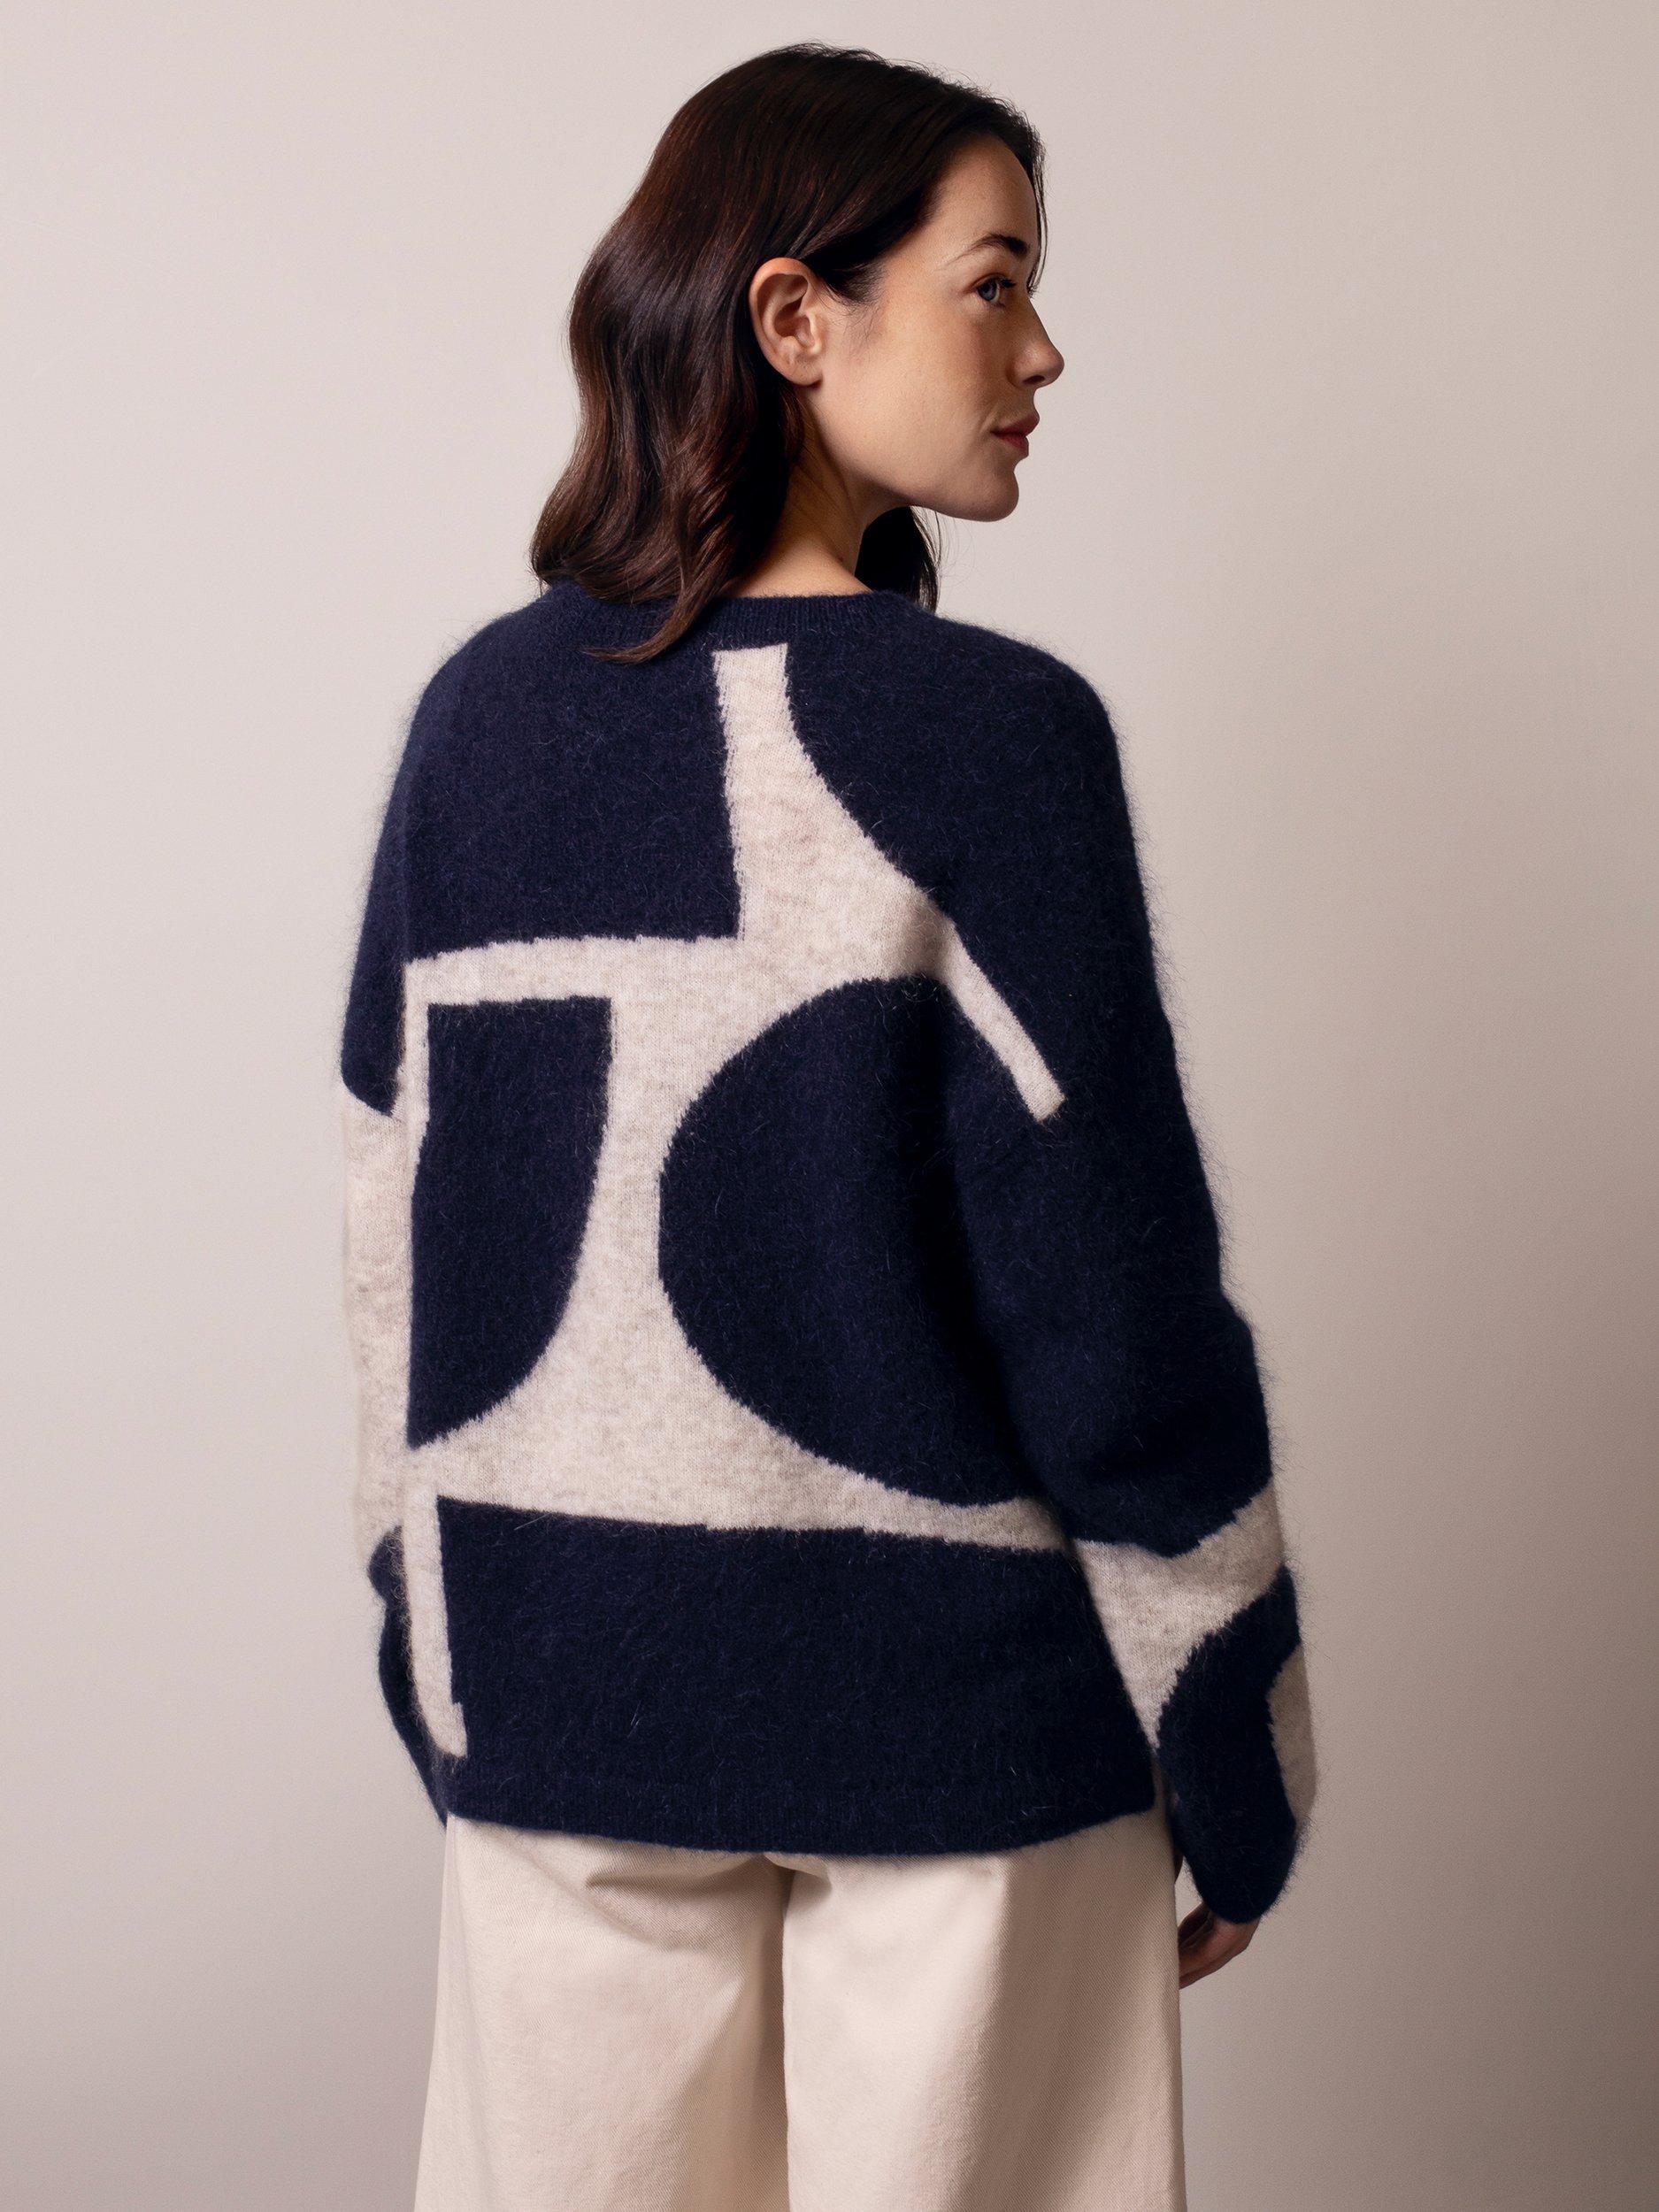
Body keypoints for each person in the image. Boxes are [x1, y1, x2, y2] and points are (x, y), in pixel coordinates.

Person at [338, 41, 1318, 2212]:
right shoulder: (989, 736)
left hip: (560, 1687)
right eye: (994, 282)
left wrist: (433, 1617)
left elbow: (392, 1222)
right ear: (794, 317)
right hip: (960, 1721)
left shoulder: (479, 720)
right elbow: (1109, 1295)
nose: (1039, 351)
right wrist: (1230, 1723)